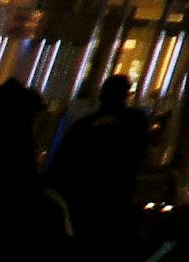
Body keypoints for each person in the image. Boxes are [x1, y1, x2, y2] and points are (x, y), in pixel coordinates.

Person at [44, 73, 151, 252]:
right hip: (116, 196)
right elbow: (139, 152)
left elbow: (62, 163)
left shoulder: (83, 125)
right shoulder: (133, 122)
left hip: (85, 198)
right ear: (126, 95)